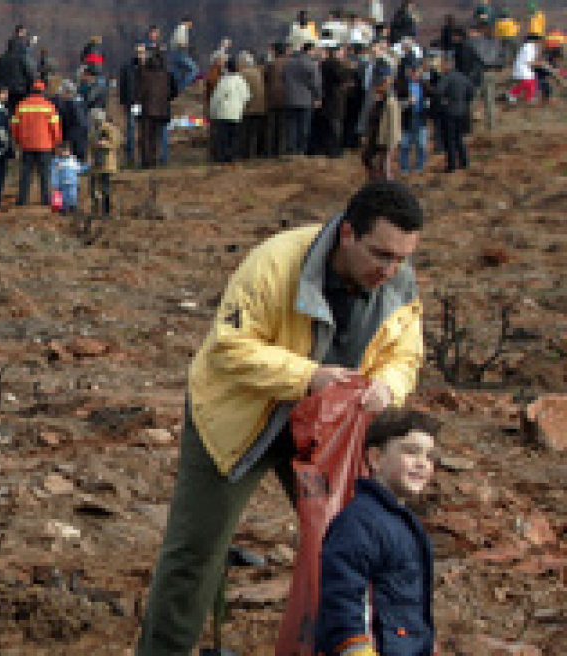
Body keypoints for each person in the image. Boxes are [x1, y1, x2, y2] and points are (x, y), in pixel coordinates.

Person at [135, 180, 426, 655]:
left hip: (327, 432)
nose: (389, 270)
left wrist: (388, 386)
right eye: (380, 255)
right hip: (240, 417)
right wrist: (310, 376)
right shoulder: (277, 262)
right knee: (195, 554)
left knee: (359, 545)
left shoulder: (399, 283)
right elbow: (230, 348)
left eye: (401, 258)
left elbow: (405, 356)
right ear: (348, 233)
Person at [315, 409, 440, 656]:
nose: (422, 463)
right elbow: (342, 596)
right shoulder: (359, 523)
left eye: (430, 456)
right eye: (410, 451)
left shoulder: (404, 523)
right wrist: (355, 647)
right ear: (376, 458)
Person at [11, 79, 62, 206]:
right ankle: (46, 200)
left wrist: (18, 140)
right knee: (44, 175)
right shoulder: (49, 106)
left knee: (25, 174)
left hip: (27, 145)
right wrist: (56, 142)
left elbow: (14, 126)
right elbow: (55, 127)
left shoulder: (21, 105)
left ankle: (22, 200)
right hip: (45, 145)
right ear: (43, 91)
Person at [431, 56, 474, 172]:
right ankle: (464, 162)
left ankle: (452, 165)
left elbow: (438, 91)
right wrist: (465, 101)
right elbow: (471, 91)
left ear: (447, 66)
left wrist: (443, 99)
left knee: (449, 139)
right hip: (462, 111)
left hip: (449, 111)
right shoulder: (463, 77)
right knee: (459, 138)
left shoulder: (446, 78)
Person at [134, 51, 174, 169]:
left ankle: (146, 161)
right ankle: (154, 159)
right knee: (156, 136)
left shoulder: (144, 74)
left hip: (147, 109)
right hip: (161, 110)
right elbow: (173, 91)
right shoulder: (166, 75)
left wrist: (136, 106)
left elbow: (139, 92)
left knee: (145, 136)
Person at [207, 57, 250, 163]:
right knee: (234, 137)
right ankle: (233, 156)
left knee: (223, 137)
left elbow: (216, 98)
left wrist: (212, 113)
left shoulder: (224, 81)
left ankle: (222, 157)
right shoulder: (241, 80)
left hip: (223, 113)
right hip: (236, 113)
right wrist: (241, 106)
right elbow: (247, 96)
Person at [283, 42, 323, 156]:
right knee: (304, 126)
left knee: (291, 126)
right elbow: (316, 83)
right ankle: (301, 149)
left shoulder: (289, 63)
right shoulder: (311, 64)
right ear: (309, 51)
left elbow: (284, 77)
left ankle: (291, 149)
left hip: (290, 98)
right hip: (306, 99)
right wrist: (318, 97)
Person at [362, 73, 402, 181]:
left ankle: (385, 183)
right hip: (374, 134)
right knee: (368, 158)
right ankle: (375, 179)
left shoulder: (390, 102)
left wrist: (391, 142)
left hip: (384, 137)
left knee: (384, 164)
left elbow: (393, 123)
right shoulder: (376, 100)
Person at [118, 43, 150, 167]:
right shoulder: (128, 67)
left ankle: (144, 157)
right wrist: (123, 102)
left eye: (142, 52)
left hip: (146, 103)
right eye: (138, 52)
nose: (140, 54)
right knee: (131, 129)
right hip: (133, 103)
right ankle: (130, 156)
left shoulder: (149, 67)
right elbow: (123, 85)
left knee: (144, 130)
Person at [396, 64, 428, 174]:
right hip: (407, 119)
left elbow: (430, 99)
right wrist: (407, 102)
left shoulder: (424, 85)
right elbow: (397, 104)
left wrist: (427, 105)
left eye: (417, 72)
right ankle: (404, 167)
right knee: (405, 145)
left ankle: (420, 166)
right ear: (409, 72)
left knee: (421, 145)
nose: (415, 74)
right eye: (413, 72)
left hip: (420, 118)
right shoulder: (402, 86)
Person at [88, 108, 121, 217]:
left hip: (106, 163)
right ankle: (96, 210)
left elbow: (116, 143)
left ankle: (106, 211)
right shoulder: (93, 131)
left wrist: (104, 144)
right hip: (95, 164)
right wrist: (89, 159)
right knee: (93, 189)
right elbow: (90, 146)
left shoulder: (109, 129)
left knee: (105, 188)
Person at [238, 52, 268, 159]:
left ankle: (244, 154)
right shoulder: (259, 71)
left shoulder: (241, 74)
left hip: (247, 107)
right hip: (261, 106)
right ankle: (259, 153)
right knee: (259, 132)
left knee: (245, 133)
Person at [49, 143, 86, 214]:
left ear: (70, 151)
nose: (64, 153)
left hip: (73, 182)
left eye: (66, 151)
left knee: (73, 195)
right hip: (62, 183)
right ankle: (63, 209)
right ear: (58, 151)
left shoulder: (73, 160)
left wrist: (86, 167)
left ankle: (73, 208)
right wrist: (55, 184)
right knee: (63, 197)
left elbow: (79, 168)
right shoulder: (56, 162)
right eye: (62, 151)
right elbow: (54, 173)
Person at [509, 34, 543, 103]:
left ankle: (529, 98)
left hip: (526, 68)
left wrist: (538, 62)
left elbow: (534, 58)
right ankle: (513, 95)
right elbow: (528, 60)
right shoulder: (527, 48)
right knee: (526, 83)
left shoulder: (532, 47)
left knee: (531, 83)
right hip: (522, 67)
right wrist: (538, 63)